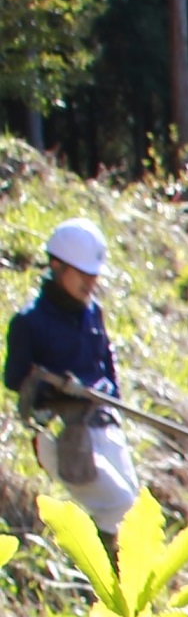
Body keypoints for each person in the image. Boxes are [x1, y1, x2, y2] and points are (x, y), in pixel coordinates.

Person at [10, 217, 140, 537]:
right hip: (62, 431)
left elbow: (106, 363)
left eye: (93, 275)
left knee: (133, 512)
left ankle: (114, 580)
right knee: (118, 505)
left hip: (102, 421)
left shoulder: (93, 313)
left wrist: (108, 398)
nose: (89, 283)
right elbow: (15, 379)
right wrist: (58, 386)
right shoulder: (30, 323)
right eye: (82, 274)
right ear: (57, 267)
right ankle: (98, 575)